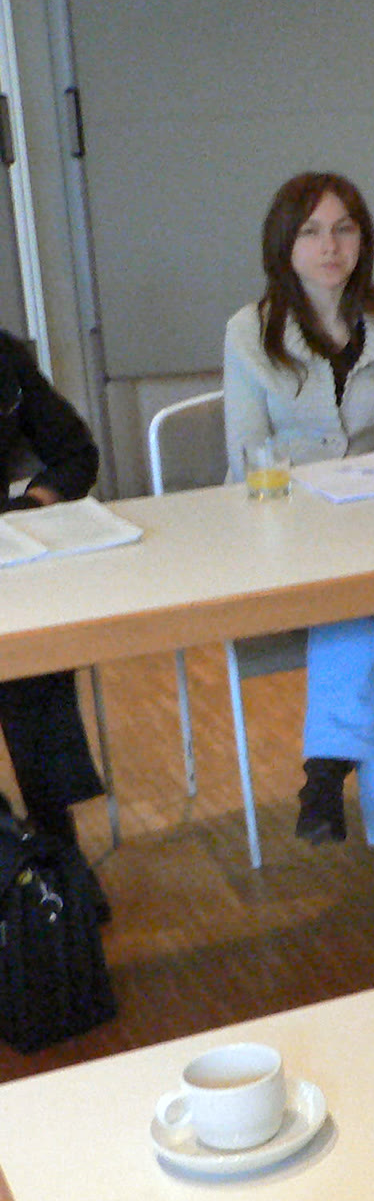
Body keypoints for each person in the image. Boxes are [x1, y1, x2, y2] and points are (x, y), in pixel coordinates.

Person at [223, 173, 374, 914]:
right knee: (363, 610)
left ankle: (328, 767)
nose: (331, 246)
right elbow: (247, 458)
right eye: (312, 231)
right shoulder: (250, 330)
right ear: (284, 246)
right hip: (288, 536)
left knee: (364, 598)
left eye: (345, 229)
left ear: (364, 240)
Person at [0, 330, 106, 850]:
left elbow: (76, 455)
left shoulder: (3, 356)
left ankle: (52, 846)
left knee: (32, 642)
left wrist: (30, 506)